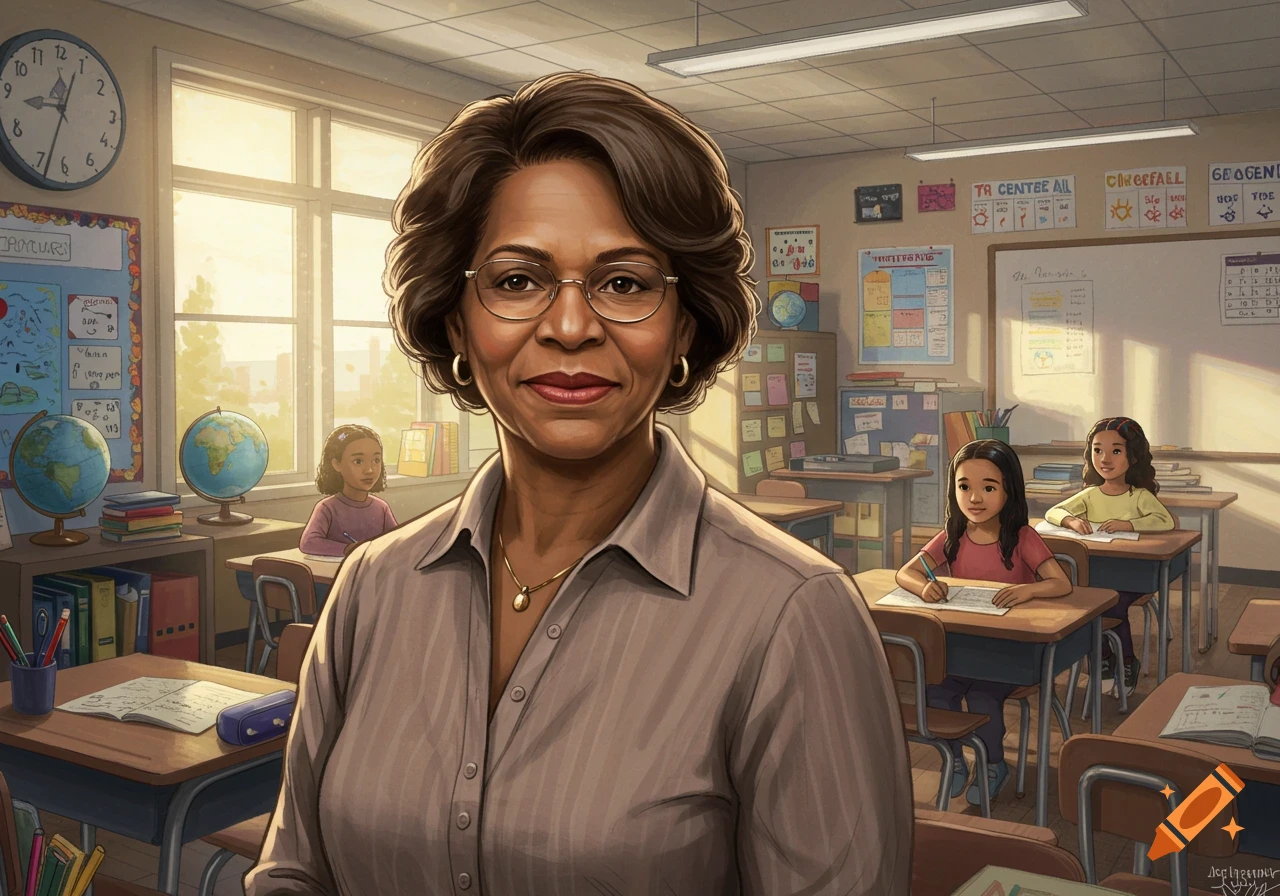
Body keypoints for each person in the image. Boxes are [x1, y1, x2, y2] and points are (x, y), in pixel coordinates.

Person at [245, 72, 912, 895]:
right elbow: (294, 873)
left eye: (625, 283)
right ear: (458, 323)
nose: (569, 326)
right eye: (518, 281)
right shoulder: (372, 590)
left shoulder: (791, 616)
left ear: (684, 327)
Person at [895, 439, 1071, 807]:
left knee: (980, 699)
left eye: (988, 487)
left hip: (1008, 652)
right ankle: (954, 758)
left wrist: (1029, 591)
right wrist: (925, 585)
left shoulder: (1023, 537)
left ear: (1009, 490)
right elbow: (905, 573)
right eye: (964, 487)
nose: (974, 497)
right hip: (960, 647)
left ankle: (993, 764)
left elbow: (1062, 583)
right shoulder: (953, 537)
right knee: (937, 692)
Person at [1044, 416, 1173, 691]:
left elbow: (1165, 522)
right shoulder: (1090, 494)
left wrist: (1130, 524)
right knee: (1090, 603)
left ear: (1133, 456)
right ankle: (1103, 658)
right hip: (1096, 576)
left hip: (1132, 578)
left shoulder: (1138, 496)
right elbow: (1053, 512)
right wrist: (1071, 521)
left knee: (1110, 604)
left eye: (1116, 451)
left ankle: (1127, 661)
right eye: (1097, 450)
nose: (1105, 458)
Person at [299, 424, 398, 558]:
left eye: (376, 460)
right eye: (358, 461)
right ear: (336, 464)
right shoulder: (327, 508)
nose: (369, 470)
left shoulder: (381, 508)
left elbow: (397, 540)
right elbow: (308, 543)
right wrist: (348, 548)